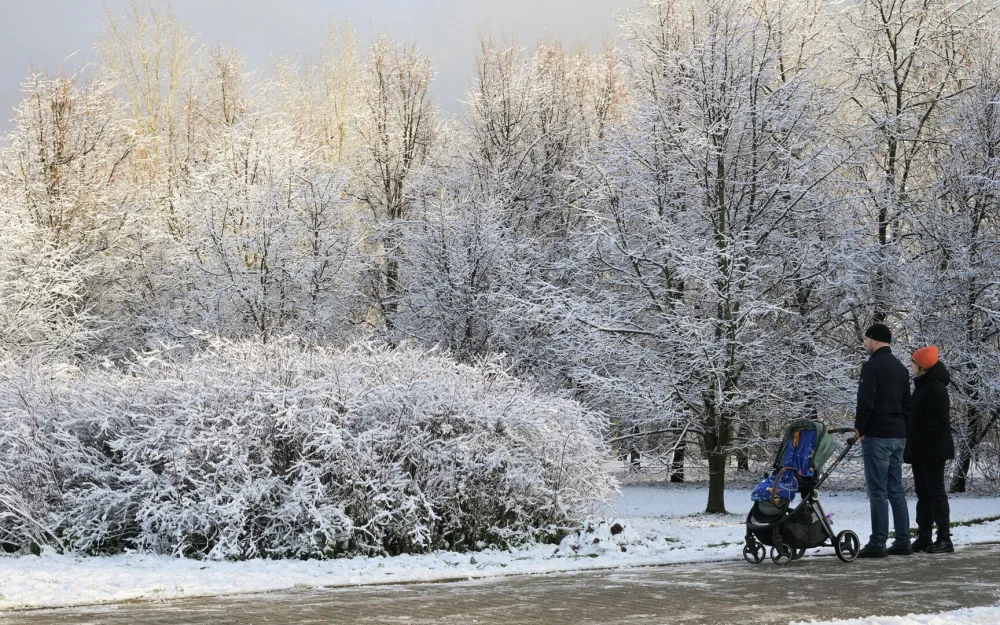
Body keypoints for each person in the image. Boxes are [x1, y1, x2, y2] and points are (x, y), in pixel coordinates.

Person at [854, 323, 912, 558]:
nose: (865, 343)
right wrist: (902, 428)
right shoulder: (901, 368)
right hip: (898, 435)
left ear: (874, 340)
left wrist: (860, 428)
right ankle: (903, 541)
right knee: (895, 489)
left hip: (877, 435)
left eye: (866, 339)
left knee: (877, 491)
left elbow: (866, 400)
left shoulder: (872, 366)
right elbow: (907, 404)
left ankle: (878, 542)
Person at [905, 346, 955, 554]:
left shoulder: (934, 387)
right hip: (921, 448)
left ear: (923, 366)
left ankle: (944, 537)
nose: (911, 366)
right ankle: (924, 535)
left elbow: (938, 420)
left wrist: (921, 434)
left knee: (935, 492)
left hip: (932, 449)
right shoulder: (923, 385)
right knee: (923, 493)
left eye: (914, 362)